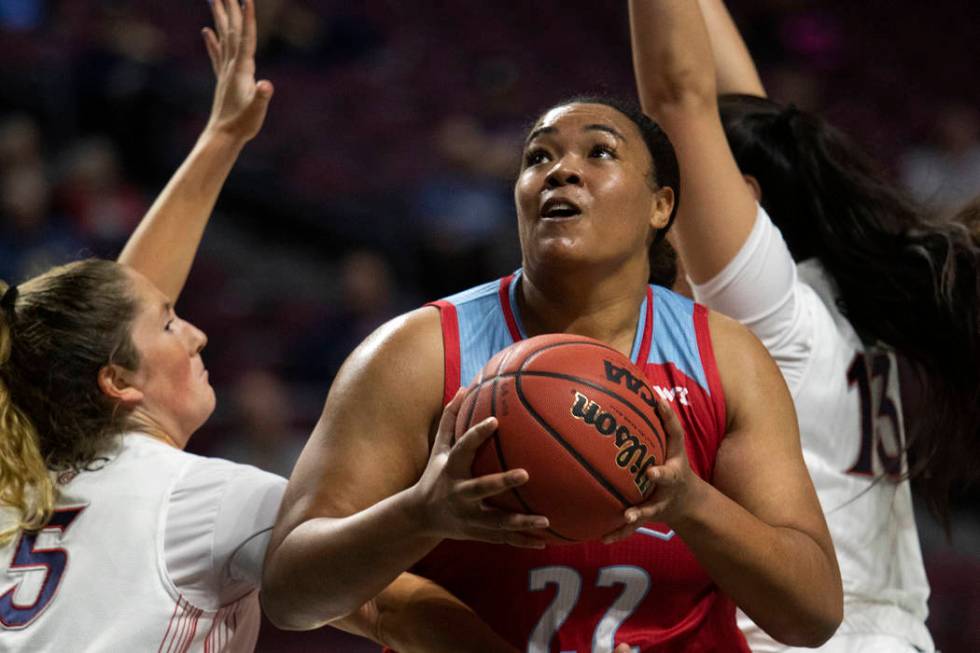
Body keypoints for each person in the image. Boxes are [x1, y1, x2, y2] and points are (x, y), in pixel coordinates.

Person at [261, 2, 843, 650]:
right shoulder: (417, 354)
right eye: (538, 157)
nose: (561, 170)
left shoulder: (726, 358)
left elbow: (813, 611)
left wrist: (693, 505)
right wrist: (420, 512)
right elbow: (288, 590)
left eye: (600, 152)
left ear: (661, 205)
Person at [631, 0, 980, 651]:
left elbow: (679, 98)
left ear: (746, 200)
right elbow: (754, 122)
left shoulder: (769, 306)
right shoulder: (832, 292)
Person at [0, 1, 281, 648]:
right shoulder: (188, 493)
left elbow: (116, 316)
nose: (197, 332)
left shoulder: (29, 468)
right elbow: (119, 324)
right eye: (173, 323)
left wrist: (221, 138)